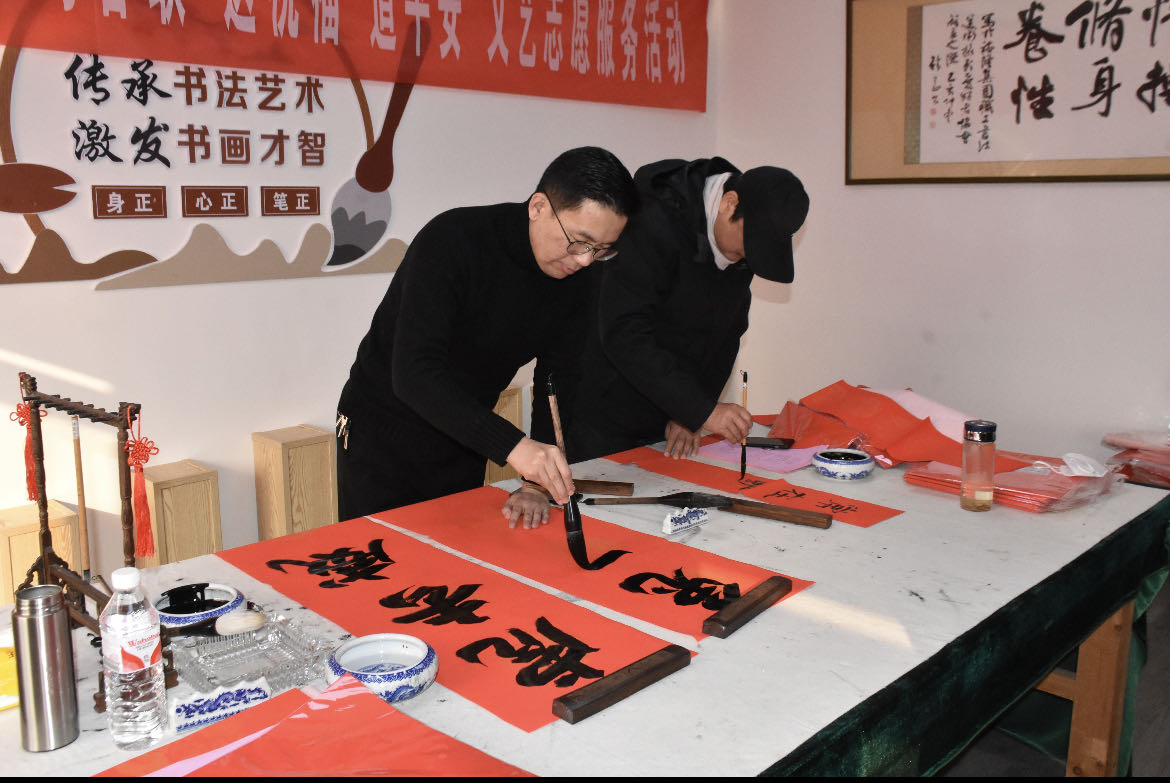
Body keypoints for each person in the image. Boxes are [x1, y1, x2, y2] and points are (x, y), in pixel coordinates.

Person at [335, 146, 638, 526]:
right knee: (382, 554)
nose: (585, 260)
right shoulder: (453, 240)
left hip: (463, 433)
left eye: (602, 250)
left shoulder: (577, 277)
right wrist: (515, 447)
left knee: (453, 547)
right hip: (382, 432)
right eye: (579, 241)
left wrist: (535, 484)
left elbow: (558, 379)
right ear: (538, 207)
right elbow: (413, 373)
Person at [566, 156, 810, 463]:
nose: (747, 257)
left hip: (669, 412)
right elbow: (624, 333)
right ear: (729, 204)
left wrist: (690, 413)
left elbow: (728, 333)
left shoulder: (741, 243)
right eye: (748, 244)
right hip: (604, 408)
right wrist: (701, 410)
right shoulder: (652, 220)